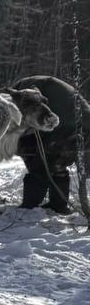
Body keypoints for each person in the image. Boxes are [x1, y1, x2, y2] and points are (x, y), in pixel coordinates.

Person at [14, 75, 89, 215]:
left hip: (67, 127)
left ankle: (30, 206)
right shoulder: (44, 85)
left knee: (40, 163)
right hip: (81, 126)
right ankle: (58, 205)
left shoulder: (26, 92)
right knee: (58, 164)